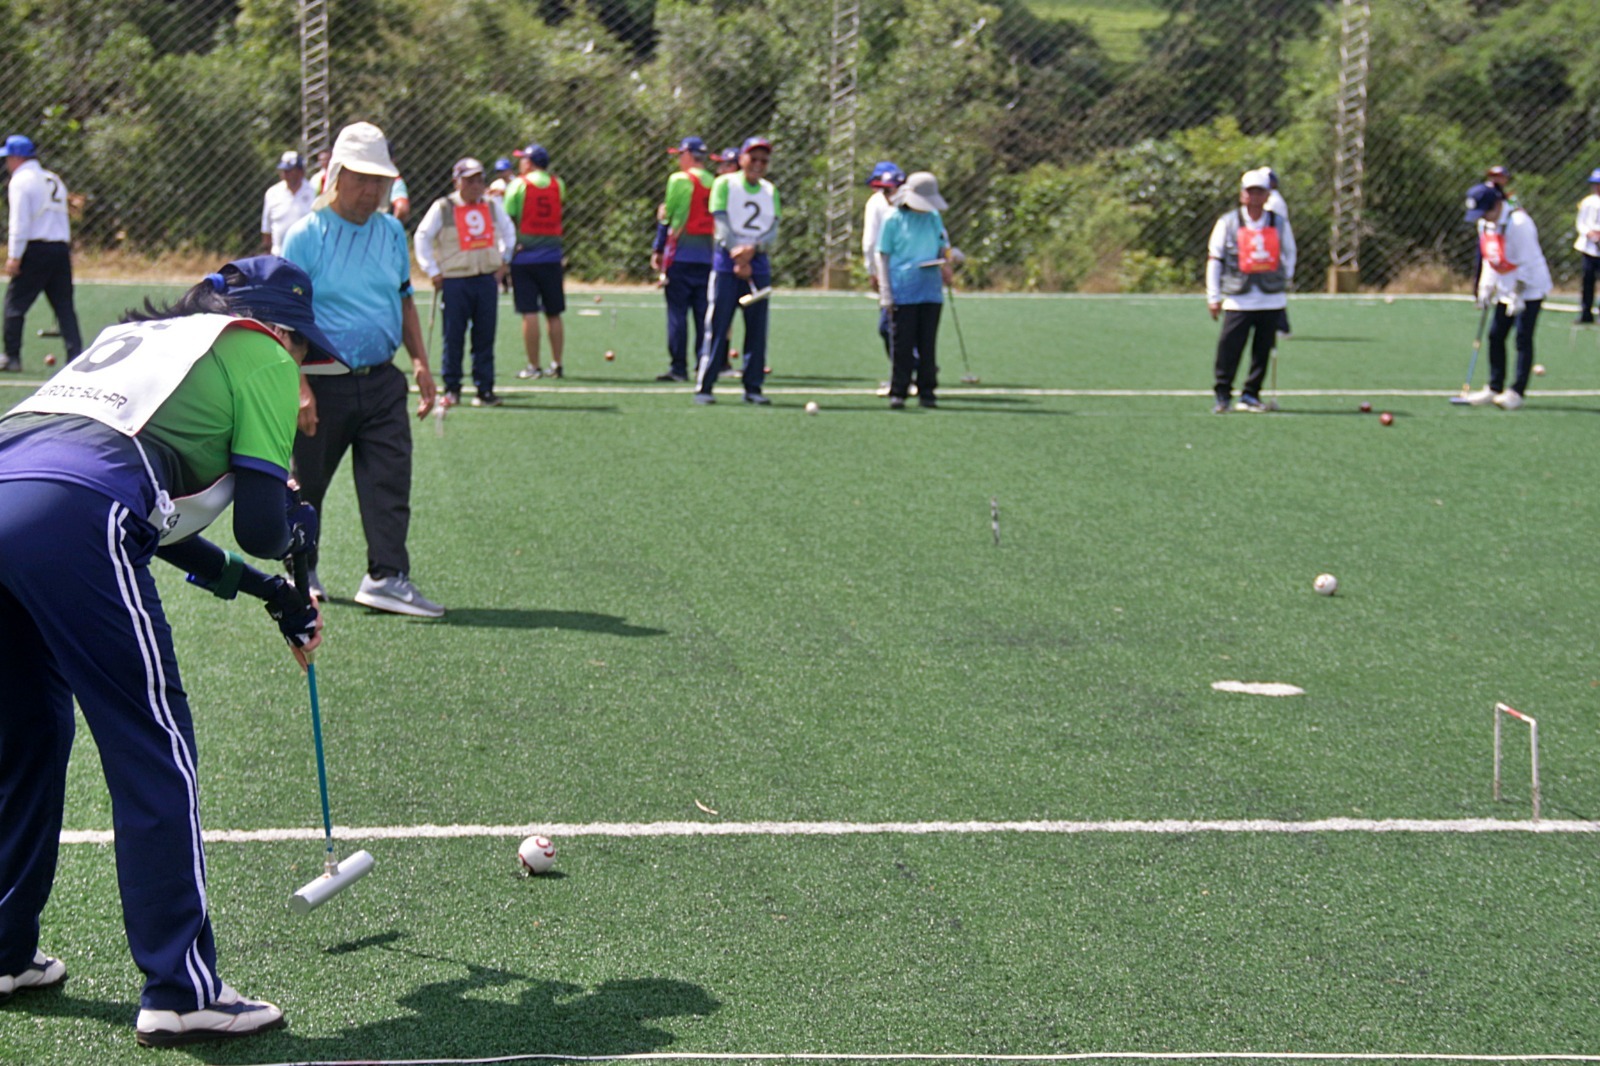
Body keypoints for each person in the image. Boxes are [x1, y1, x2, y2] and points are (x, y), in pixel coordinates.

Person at [0, 255, 340, 1046]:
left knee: (28, 738)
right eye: (302, 354)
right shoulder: (255, 346)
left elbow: (143, 513)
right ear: (277, 326)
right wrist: (297, 528)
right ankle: (183, 991)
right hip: (77, 515)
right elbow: (258, 520)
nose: (299, 374)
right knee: (154, 745)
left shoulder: (146, 342)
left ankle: (6, 951)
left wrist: (268, 591)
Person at [282, 120, 445, 616]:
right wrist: (301, 387)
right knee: (306, 485)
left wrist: (419, 362)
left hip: (381, 382)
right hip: (322, 386)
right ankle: (300, 573)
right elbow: (285, 319)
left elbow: (403, 298)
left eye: (381, 179)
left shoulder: (392, 232)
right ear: (335, 174)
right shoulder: (304, 236)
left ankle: (387, 577)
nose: (372, 189)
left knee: (390, 481)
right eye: (361, 177)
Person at [414, 157, 516, 408]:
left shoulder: (492, 205)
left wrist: (504, 261)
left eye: (479, 180)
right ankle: (452, 389)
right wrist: (433, 270)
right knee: (453, 336)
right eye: (469, 180)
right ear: (456, 181)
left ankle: (485, 389)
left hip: (485, 279)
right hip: (455, 280)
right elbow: (423, 236)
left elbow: (508, 231)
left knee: (485, 336)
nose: (476, 185)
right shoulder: (443, 207)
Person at [694, 136, 780, 405]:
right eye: (752, 158)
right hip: (726, 265)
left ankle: (753, 387)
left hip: (758, 266)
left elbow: (773, 230)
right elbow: (720, 223)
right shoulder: (724, 184)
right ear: (741, 159)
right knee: (718, 325)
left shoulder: (770, 191)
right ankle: (705, 385)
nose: (757, 164)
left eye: (763, 160)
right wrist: (737, 254)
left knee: (757, 330)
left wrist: (753, 250)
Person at [1206, 167, 1297, 414]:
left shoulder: (1279, 222)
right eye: (1251, 191)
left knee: (1262, 350)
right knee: (1229, 348)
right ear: (1242, 194)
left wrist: (1283, 281)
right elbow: (1215, 259)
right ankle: (1223, 395)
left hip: (1270, 298)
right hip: (1238, 299)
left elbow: (1289, 252)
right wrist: (1213, 296)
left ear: (1268, 195)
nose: (1255, 197)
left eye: (1260, 192)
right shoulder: (1227, 223)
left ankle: (1251, 394)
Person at [1463, 181, 1551, 410]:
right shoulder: (1485, 224)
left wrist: (1517, 295)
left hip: (1530, 287)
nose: (1483, 217)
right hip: (1506, 285)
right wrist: (1485, 287)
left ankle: (1516, 392)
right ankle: (1494, 387)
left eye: (1485, 212)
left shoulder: (1519, 223)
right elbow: (1489, 256)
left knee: (1522, 337)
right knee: (1495, 335)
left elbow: (1528, 263)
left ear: (1497, 204)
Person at [2, 134, 83, 375]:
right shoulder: (52, 178)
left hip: (36, 249)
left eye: (8, 158)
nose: (6, 164)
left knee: (15, 305)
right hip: (59, 249)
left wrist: (14, 256)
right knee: (64, 306)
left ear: (17, 158)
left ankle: (12, 357)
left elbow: (19, 223)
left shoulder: (20, 181)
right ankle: (76, 356)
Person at [875, 171, 953, 410]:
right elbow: (883, 255)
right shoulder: (893, 219)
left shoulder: (933, 218)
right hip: (903, 290)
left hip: (930, 290)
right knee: (902, 343)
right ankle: (899, 390)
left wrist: (948, 263)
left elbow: (943, 246)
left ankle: (927, 390)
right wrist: (885, 292)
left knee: (927, 342)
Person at [652, 136, 715, 383]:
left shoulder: (679, 180)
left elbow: (667, 217)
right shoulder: (715, 181)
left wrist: (658, 249)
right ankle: (703, 363)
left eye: (680, 155)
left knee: (677, 313)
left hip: (680, 256)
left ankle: (679, 367)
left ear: (688, 155)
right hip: (708, 257)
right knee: (703, 314)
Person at [504, 144, 567, 380]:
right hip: (552, 255)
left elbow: (509, 218)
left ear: (529, 162)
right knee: (554, 312)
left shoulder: (518, 185)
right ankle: (557, 363)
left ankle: (533, 365)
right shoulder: (557, 184)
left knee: (529, 311)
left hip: (524, 257)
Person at [862, 161, 906, 393]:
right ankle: (911, 370)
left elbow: (870, 242)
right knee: (903, 323)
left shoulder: (875, 203)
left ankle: (905, 374)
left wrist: (872, 271)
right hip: (910, 272)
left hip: (890, 272)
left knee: (889, 325)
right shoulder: (910, 200)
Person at [259, 150, 315, 257]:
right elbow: (266, 228)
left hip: (307, 256)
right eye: (283, 170)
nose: (285, 173)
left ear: (300, 171)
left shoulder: (313, 192)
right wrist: (267, 255)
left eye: (289, 170)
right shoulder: (272, 193)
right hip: (279, 255)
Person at [1574, 168, 1600, 325]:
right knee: (1587, 281)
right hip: (1589, 247)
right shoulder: (1587, 202)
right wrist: (1589, 233)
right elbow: (1581, 222)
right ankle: (1586, 313)